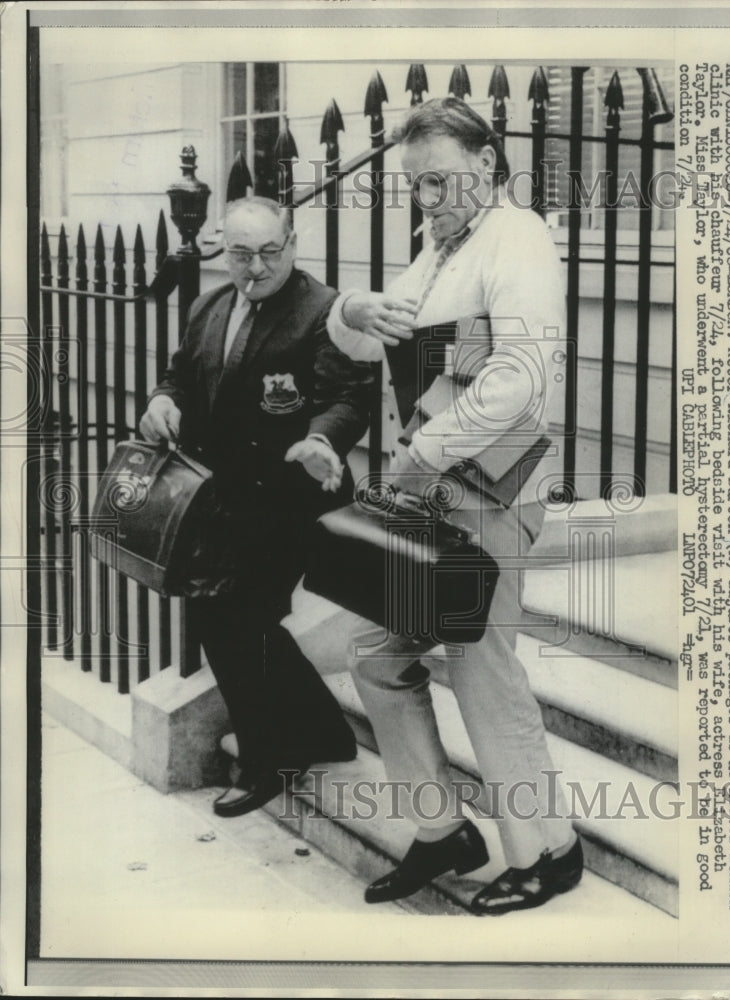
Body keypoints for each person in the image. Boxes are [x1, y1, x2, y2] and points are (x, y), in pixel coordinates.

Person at [326, 97, 582, 914]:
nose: (426, 200)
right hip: (437, 488)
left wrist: (420, 456)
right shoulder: (441, 246)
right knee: (376, 657)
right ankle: (444, 833)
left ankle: (549, 850)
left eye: (438, 182)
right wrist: (349, 311)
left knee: (482, 669)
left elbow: (520, 379)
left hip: (493, 487)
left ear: (485, 162)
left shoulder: (519, 238)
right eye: (415, 186)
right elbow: (376, 339)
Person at [140, 196, 373, 818]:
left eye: (271, 252)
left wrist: (322, 438)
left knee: (234, 622)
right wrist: (163, 400)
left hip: (289, 502)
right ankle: (323, 731)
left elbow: (349, 396)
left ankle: (266, 762)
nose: (257, 268)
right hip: (221, 503)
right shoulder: (209, 306)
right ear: (223, 248)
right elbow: (181, 375)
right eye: (242, 254)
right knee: (243, 624)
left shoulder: (322, 311)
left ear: (292, 245)